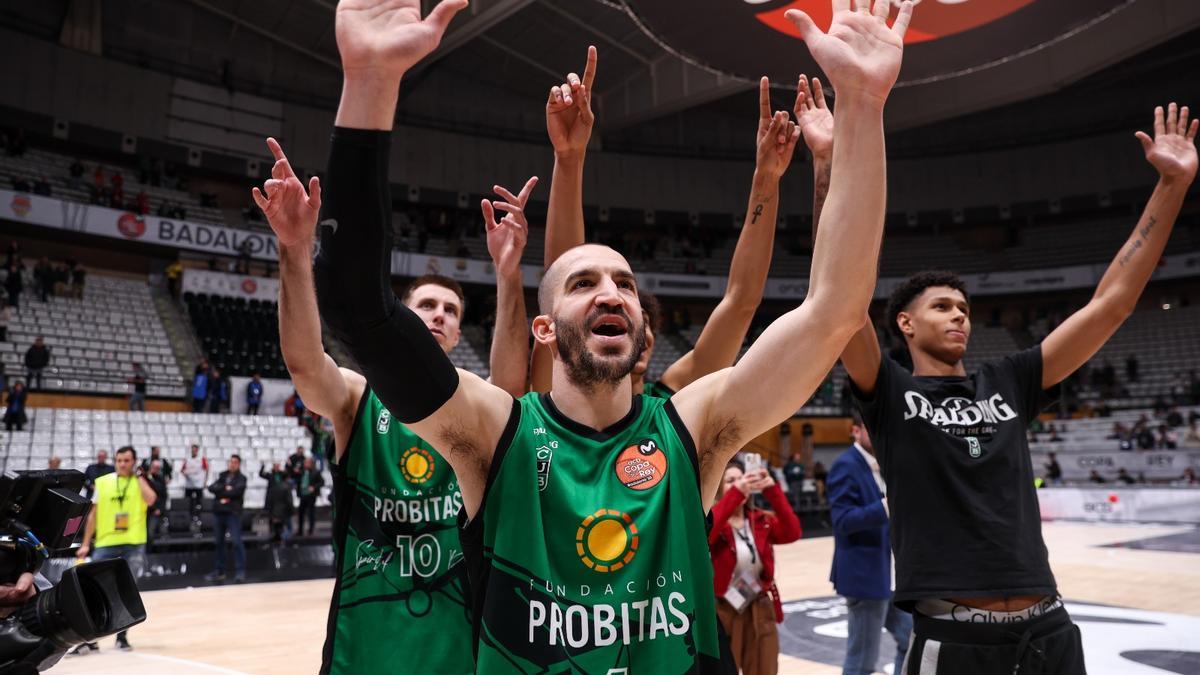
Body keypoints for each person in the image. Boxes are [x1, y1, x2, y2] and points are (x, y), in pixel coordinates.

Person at [312, 0, 907, 669]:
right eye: (583, 282)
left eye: (625, 284)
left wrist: (862, 106)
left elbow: (834, 311)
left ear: (643, 324)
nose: (610, 293)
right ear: (544, 327)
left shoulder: (692, 426)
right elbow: (357, 308)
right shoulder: (494, 433)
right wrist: (367, 83)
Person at [833, 100, 1196, 671]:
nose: (960, 317)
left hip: (1047, 628)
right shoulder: (890, 394)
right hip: (953, 639)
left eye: (965, 308)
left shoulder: (1010, 380)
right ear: (905, 323)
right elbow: (841, 295)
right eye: (943, 307)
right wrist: (831, 166)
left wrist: (1171, 186)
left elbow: (1112, 304)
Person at [255, 132, 528, 672]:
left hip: (458, 648)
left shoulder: (475, 406)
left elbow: (512, 387)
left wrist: (509, 273)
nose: (441, 315)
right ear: (400, 316)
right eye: (426, 305)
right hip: (366, 649)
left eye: (451, 310)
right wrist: (293, 251)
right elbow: (307, 366)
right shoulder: (360, 395)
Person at [530, 49, 802, 401]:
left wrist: (766, 181)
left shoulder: (674, 402)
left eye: (638, 319)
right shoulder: (557, 388)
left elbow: (740, 302)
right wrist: (568, 159)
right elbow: (563, 274)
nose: (614, 303)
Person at [827, 411, 910, 675]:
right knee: (862, 661)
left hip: (890, 576)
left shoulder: (882, 463)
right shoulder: (846, 465)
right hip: (864, 578)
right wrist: (885, 506)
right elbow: (842, 521)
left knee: (910, 641)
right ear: (855, 431)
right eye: (871, 427)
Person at [709, 459, 801, 674]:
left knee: (765, 668)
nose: (738, 484)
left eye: (741, 479)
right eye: (730, 481)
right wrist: (734, 497)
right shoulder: (713, 521)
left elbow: (792, 532)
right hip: (725, 609)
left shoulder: (760, 519)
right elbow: (705, 536)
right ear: (718, 487)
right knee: (724, 669)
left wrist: (771, 490)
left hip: (760, 606)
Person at [73, 446, 156, 653]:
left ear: (134, 462)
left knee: (128, 593)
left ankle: (122, 638)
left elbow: (151, 499)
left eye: (127, 461)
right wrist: (85, 543)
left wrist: (139, 478)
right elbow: (93, 515)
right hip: (105, 543)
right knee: (94, 590)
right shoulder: (104, 482)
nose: (122, 464)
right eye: (119, 460)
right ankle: (90, 640)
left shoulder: (140, 483)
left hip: (133, 544)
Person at [205, 455, 247, 583]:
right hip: (219, 513)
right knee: (219, 543)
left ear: (239, 464)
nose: (232, 464)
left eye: (235, 462)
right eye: (231, 462)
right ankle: (220, 571)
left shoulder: (242, 478)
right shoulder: (223, 475)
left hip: (232, 513)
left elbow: (236, 493)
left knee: (236, 542)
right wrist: (226, 489)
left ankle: (240, 572)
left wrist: (222, 491)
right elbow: (212, 488)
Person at [260, 462, 294, 546]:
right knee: (273, 518)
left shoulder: (283, 475)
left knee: (282, 521)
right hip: (272, 498)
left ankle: (280, 537)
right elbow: (261, 474)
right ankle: (275, 535)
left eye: (277, 466)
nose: (276, 467)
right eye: (275, 466)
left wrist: (289, 465)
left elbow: (289, 474)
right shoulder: (270, 475)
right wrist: (262, 466)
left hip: (281, 499)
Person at [178, 444, 209, 530]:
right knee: (188, 502)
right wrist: (185, 473)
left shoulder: (201, 459)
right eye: (193, 449)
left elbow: (207, 469)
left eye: (195, 449)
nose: (194, 451)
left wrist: (205, 481)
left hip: (198, 485)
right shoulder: (187, 459)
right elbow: (182, 470)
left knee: (199, 503)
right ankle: (188, 519)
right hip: (189, 485)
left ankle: (200, 519)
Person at [294, 457, 324, 537]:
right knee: (300, 513)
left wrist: (314, 487)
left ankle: (311, 530)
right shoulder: (302, 472)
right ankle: (300, 530)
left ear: (311, 463)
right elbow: (294, 476)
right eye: (305, 463)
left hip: (311, 496)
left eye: (307, 463)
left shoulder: (316, 472)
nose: (305, 464)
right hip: (303, 495)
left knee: (311, 513)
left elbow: (322, 482)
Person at [145, 459, 170, 543]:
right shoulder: (144, 479)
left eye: (158, 468)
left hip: (156, 510)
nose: (156, 469)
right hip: (146, 510)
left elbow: (164, 496)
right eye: (155, 467)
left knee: (151, 532)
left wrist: (159, 508)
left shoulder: (161, 479)